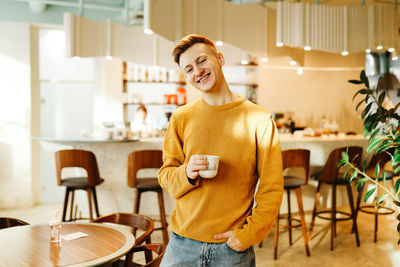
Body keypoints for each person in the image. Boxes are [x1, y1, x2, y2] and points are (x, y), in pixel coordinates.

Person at [158, 34, 284, 266]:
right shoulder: (181, 117)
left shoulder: (259, 119)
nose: (197, 71)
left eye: (202, 61)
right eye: (189, 69)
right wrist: (187, 172)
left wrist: (248, 234)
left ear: (220, 58)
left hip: (231, 250)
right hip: (181, 244)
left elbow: (272, 187)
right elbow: (166, 177)